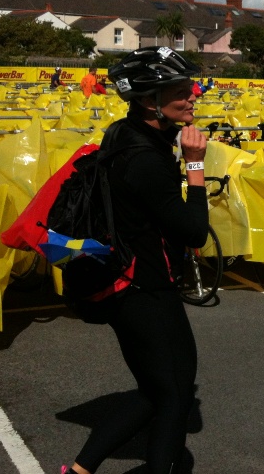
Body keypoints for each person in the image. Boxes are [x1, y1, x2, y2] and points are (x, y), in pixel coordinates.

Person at [61, 46, 208, 474]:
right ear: (149, 101)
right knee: (176, 394)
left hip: (125, 279)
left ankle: (80, 470)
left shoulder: (124, 133)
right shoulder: (145, 160)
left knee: (155, 390)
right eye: (181, 91)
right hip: (145, 288)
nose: (193, 95)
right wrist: (195, 166)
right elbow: (194, 231)